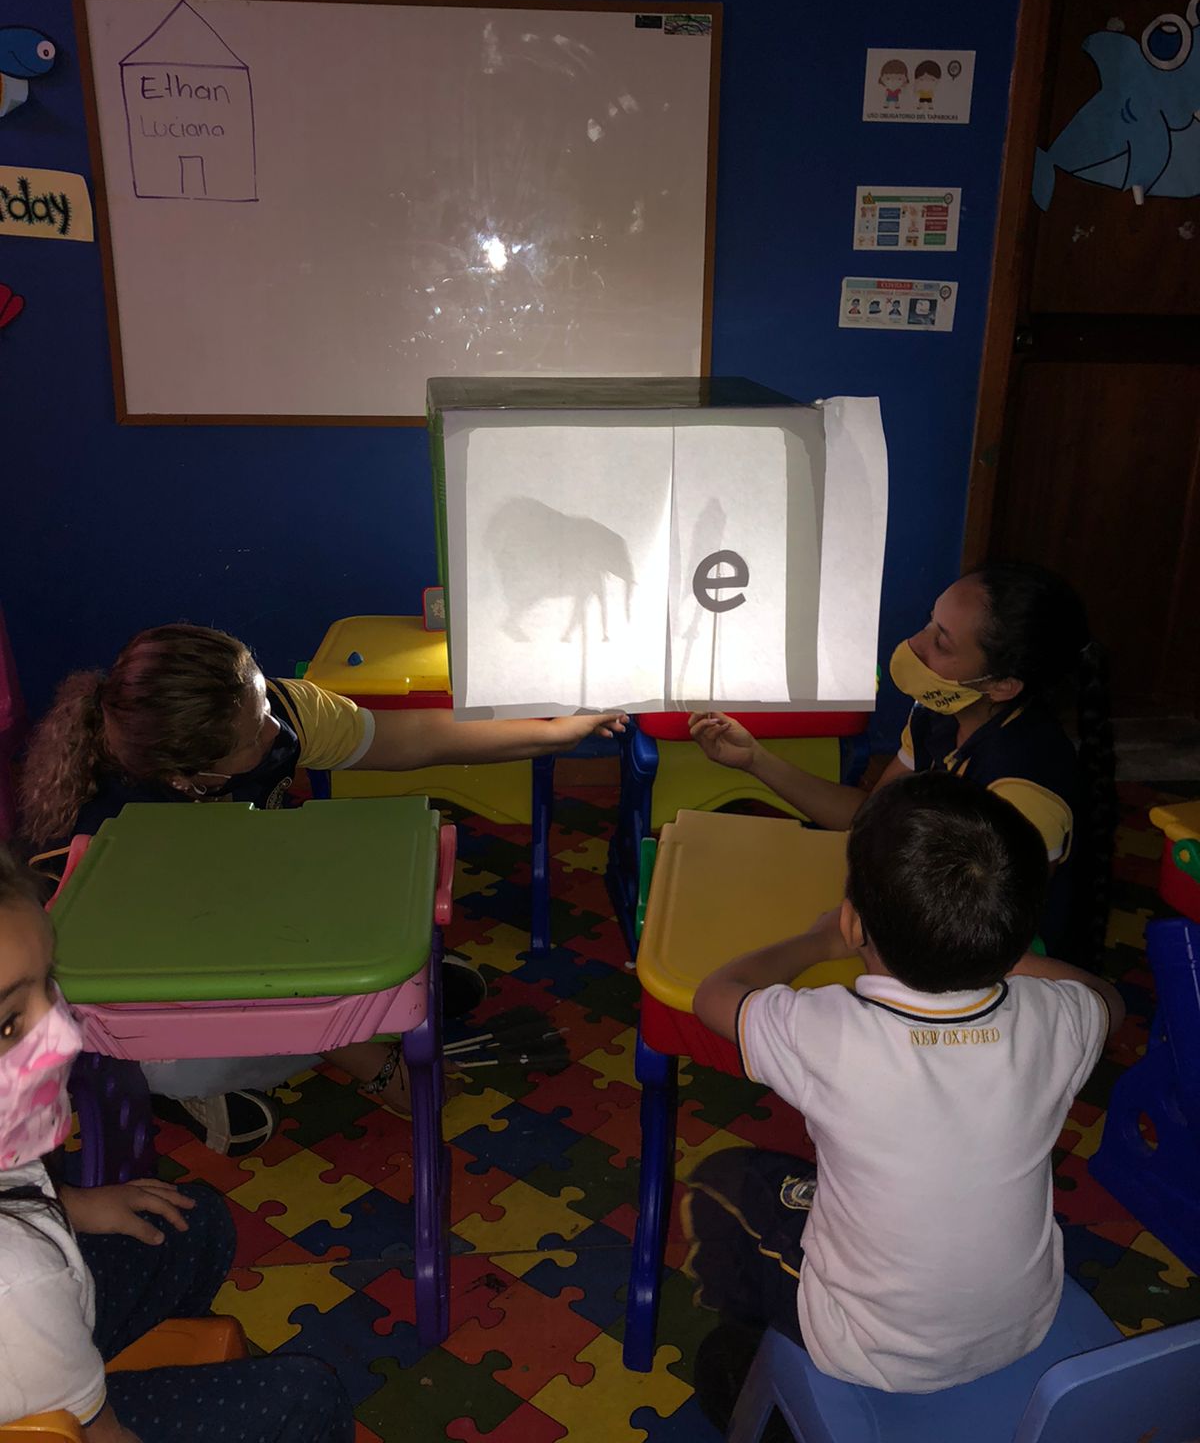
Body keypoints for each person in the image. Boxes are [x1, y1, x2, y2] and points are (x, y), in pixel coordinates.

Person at [19, 623, 627, 1149]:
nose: (274, 730)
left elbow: (412, 737)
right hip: (167, 982)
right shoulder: (110, 836)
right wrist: (374, 1063)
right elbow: (232, 960)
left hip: (257, 910)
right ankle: (192, 1088)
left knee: (345, 906)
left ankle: (365, 1008)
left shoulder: (271, 711)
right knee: (182, 1058)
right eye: (253, 737)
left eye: (263, 704)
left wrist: (551, 733)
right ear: (189, 778)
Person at [684, 771, 1124, 1430]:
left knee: (725, 1181)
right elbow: (1106, 999)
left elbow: (715, 993)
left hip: (866, 1347)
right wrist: (1000, 955)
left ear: (854, 921)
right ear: (1016, 934)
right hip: (1026, 1321)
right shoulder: (1057, 1019)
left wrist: (817, 942)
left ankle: (754, 1371)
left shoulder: (827, 1033)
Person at [0, 845, 354, 1442]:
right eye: (9, 1022)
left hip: (39, 1325)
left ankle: (104, 1366)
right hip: (55, 1414)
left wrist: (73, 1206)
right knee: (305, 1399)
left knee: (193, 1221)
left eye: (47, 983)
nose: (64, 1035)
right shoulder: (18, 1282)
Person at [689, 561, 1115, 964]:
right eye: (930, 622)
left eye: (941, 642)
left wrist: (840, 937)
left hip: (991, 961)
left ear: (1002, 685)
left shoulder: (1024, 789)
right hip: (925, 918)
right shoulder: (939, 713)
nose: (915, 644)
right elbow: (870, 816)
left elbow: (980, 931)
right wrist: (755, 759)